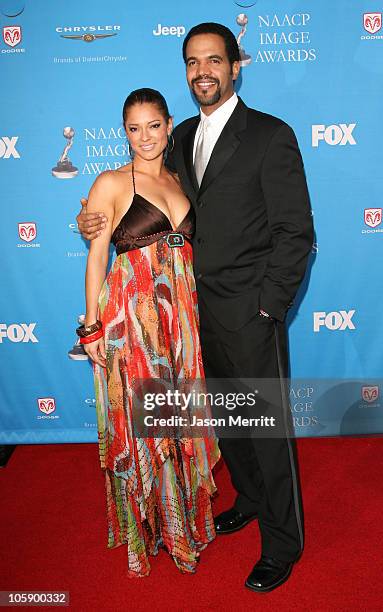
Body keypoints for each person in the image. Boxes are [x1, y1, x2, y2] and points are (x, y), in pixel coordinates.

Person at [78, 23, 314, 592]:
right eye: (192, 62)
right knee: (230, 425)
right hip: (188, 317)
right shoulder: (180, 137)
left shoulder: (269, 135)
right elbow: (142, 207)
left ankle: (284, 543)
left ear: (237, 66)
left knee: (266, 431)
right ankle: (250, 500)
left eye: (214, 60)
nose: (202, 71)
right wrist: (88, 220)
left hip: (250, 314)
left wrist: (268, 308)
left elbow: (296, 233)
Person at [78, 87, 220, 577]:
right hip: (132, 320)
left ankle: (177, 521)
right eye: (134, 129)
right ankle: (166, 533)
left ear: (168, 124)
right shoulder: (112, 183)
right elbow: (97, 256)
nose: (145, 137)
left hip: (179, 316)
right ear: (124, 132)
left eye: (154, 126)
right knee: (149, 424)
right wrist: (92, 327)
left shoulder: (181, 179)